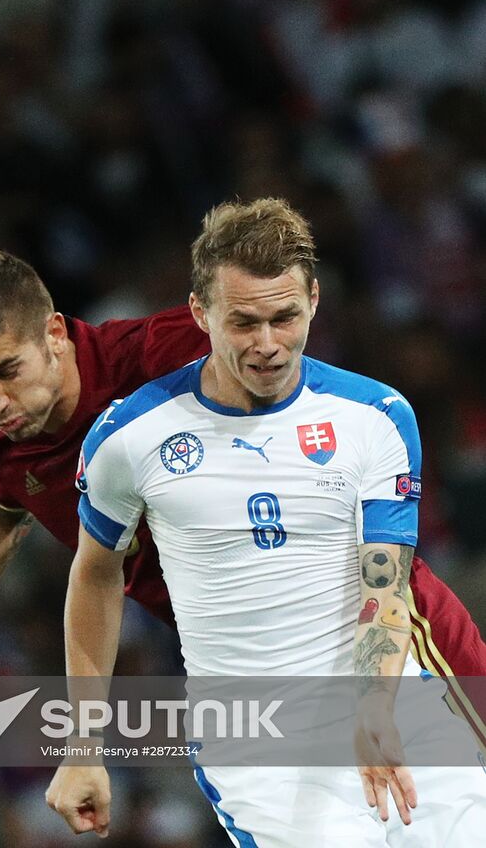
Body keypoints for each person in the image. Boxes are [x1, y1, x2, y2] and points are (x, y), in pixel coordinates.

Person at [0, 246, 486, 748]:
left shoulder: (165, 355)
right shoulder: (3, 442)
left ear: (55, 335)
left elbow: (296, 376)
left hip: (370, 623)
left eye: (6, 371)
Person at [46, 198, 486, 847]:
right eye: (243, 322)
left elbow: (386, 585)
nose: (268, 344)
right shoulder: (129, 438)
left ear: (314, 298)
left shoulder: (376, 417)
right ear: (200, 313)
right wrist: (82, 746)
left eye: (285, 317)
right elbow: (95, 575)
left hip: (398, 704)